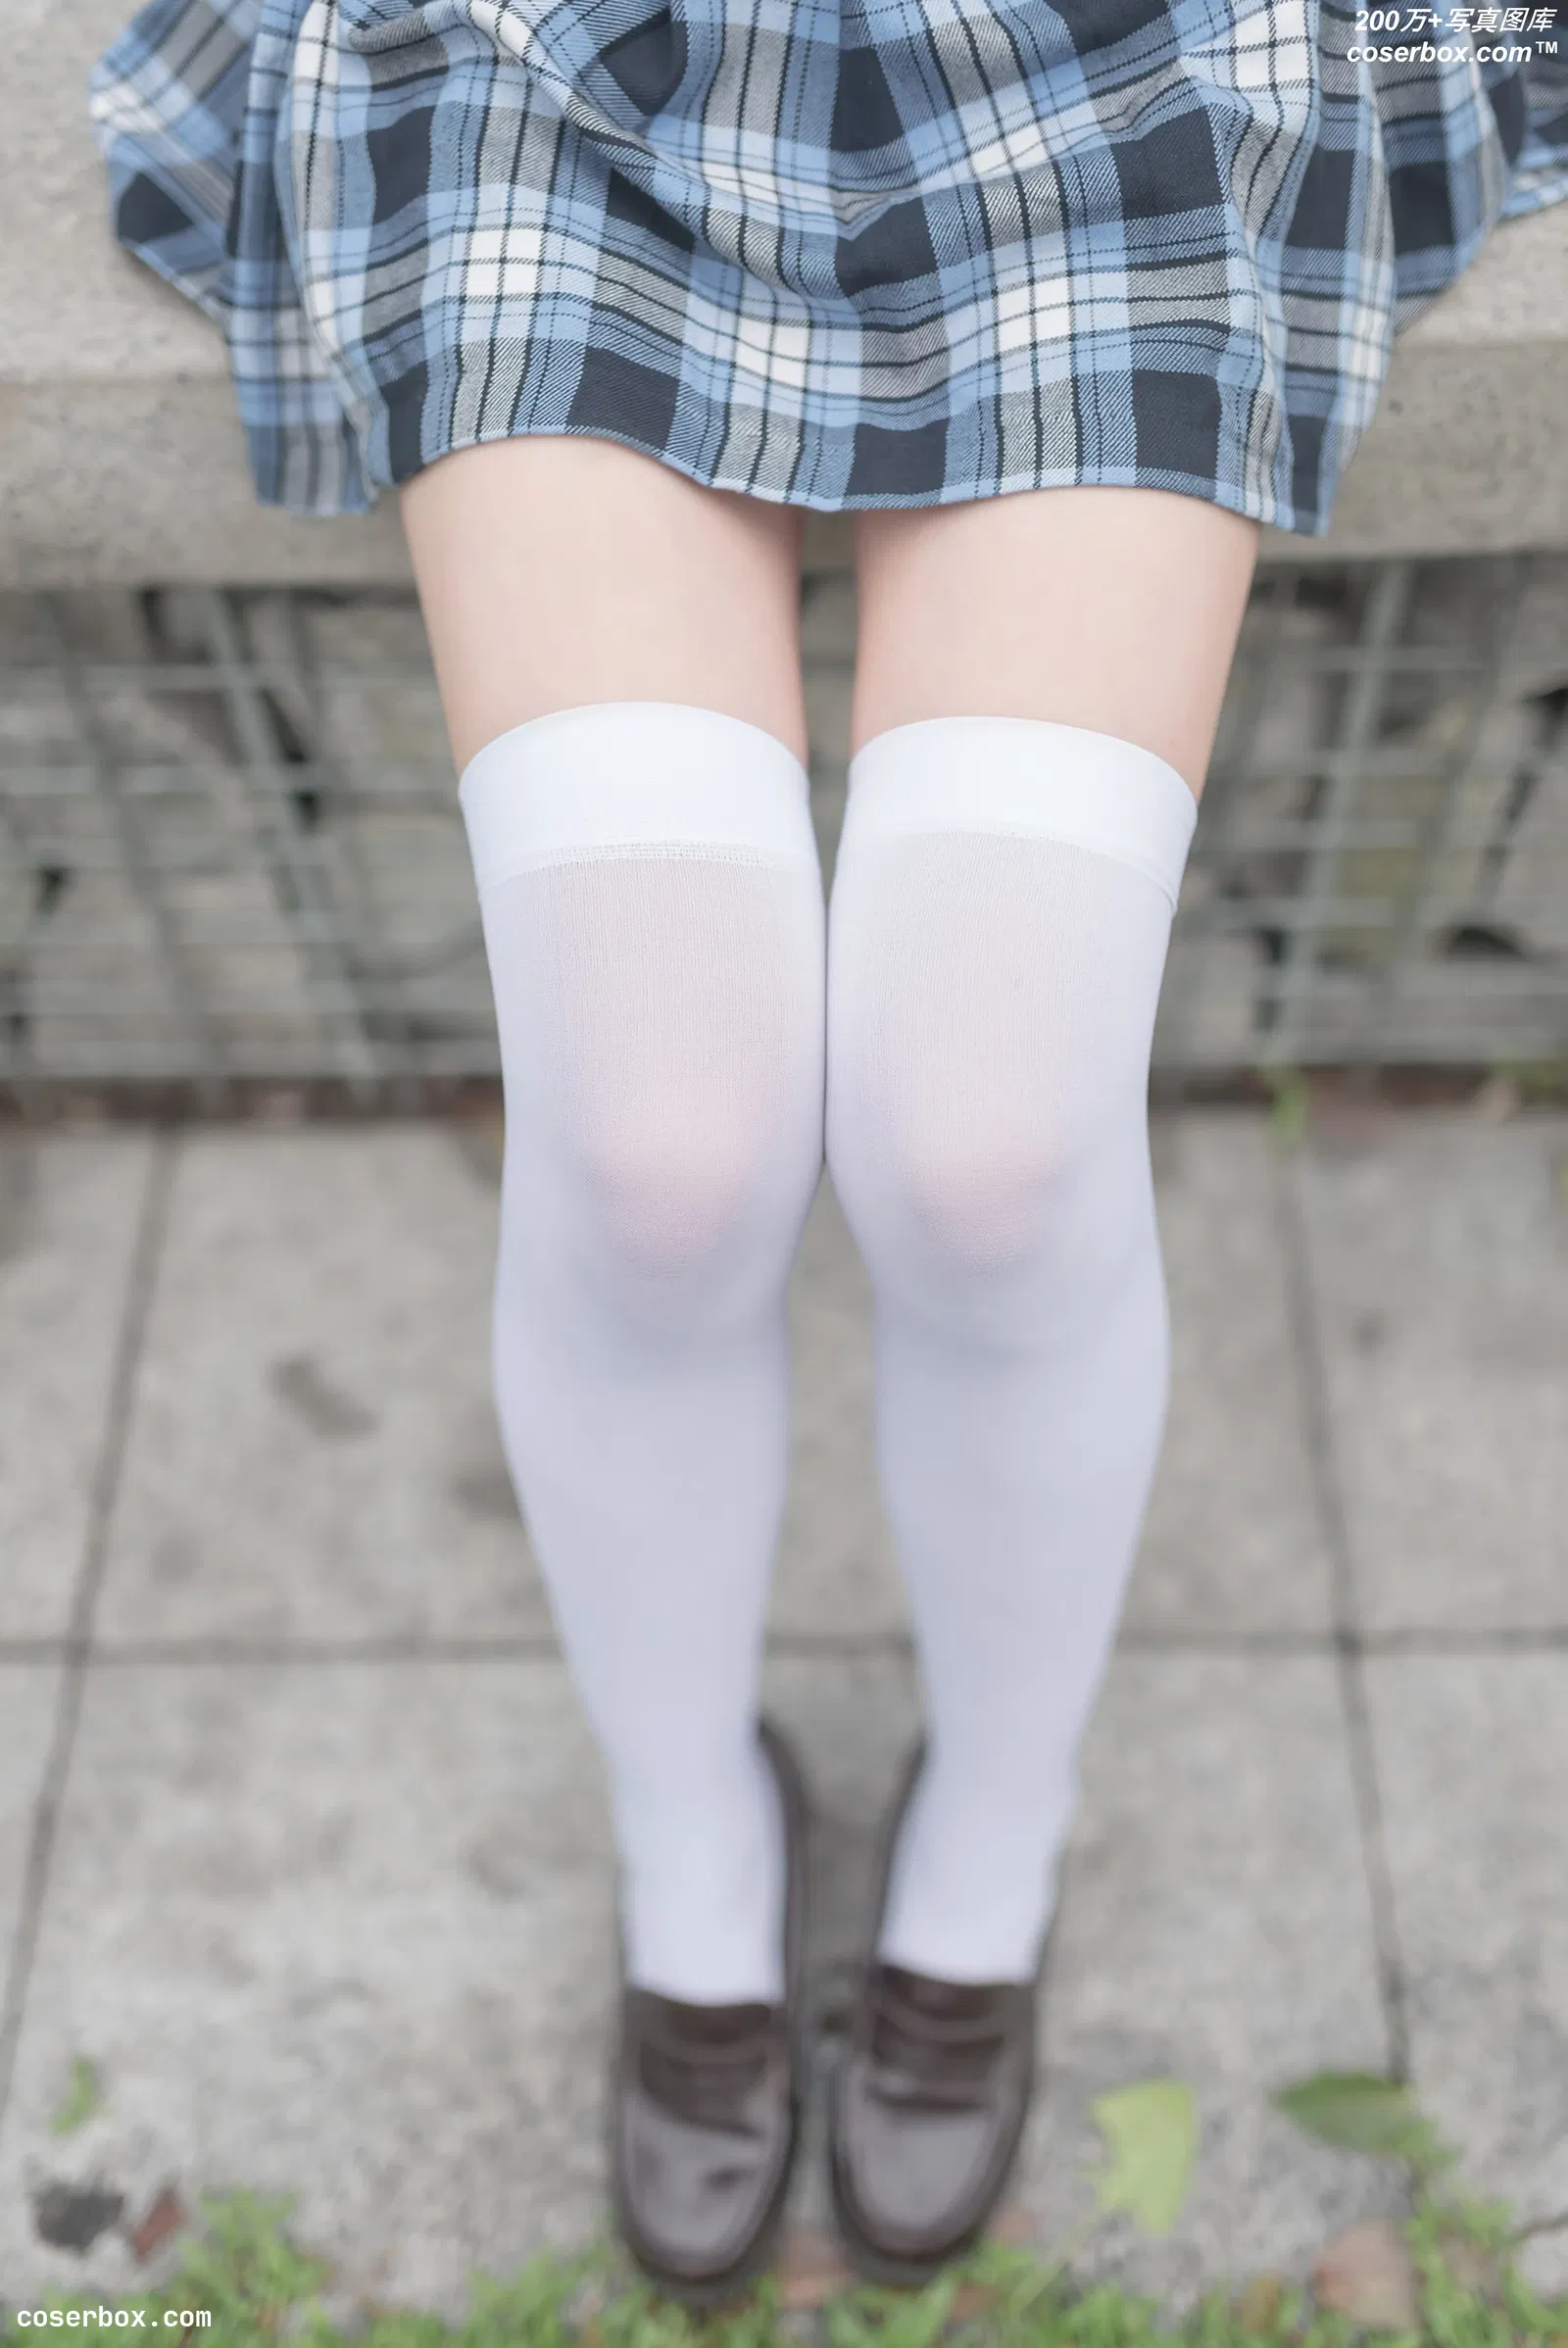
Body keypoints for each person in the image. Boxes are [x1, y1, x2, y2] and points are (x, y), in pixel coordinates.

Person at [90, 0, 1568, 2309]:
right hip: (552, 58)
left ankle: (995, 1831)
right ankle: (690, 1837)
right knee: (653, 1148)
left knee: (989, 1145)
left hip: (1130, 57)